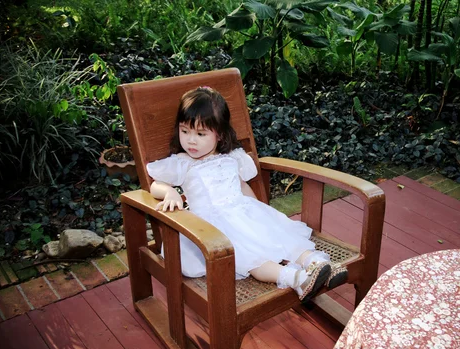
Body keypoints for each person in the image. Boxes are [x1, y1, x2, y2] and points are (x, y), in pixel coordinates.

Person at [146, 87, 346, 302]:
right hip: (213, 227)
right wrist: (169, 193)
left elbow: (242, 186)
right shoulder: (182, 162)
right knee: (252, 258)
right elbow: (155, 185)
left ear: (219, 134)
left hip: (244, 213)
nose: (191, 141)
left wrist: (261, 214)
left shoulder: (232, 157)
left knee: (281, 237)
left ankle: (318, 263)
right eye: (185, 131)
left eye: (201, 134)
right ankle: (297, 279)